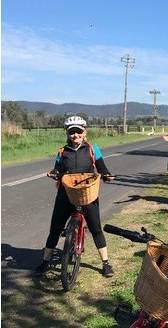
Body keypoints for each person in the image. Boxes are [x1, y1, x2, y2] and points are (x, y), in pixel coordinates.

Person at [35, 116, 116, 277]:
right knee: (55, 229)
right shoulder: (62, 151)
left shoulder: (93, 149)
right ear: (67, 134)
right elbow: (58, 169)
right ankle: (46, 261)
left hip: (88, 194)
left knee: (96, 229)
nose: (75, 135)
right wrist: (54, 173)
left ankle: (106, 264)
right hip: (66, 193)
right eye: (72, 132)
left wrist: (107, 175)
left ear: (84, 132)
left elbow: (101, 167)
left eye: (78, 131)